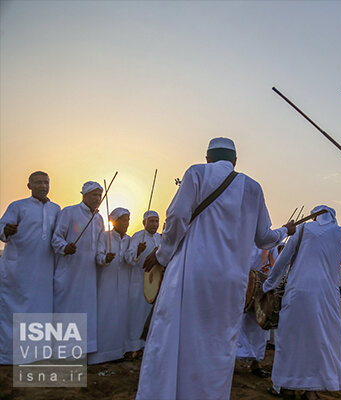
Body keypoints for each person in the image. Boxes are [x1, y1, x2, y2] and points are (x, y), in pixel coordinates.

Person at [136, 138, 295, 400]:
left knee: (177, 336)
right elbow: (265, 238)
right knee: (217, 343)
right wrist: (285, 231)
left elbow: (176, 218)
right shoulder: (253, 187)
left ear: (208, 158)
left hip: (191, 273)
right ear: (235, 161)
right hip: (231, 281)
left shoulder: (196, 172)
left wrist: (163, 256)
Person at [263, 205, 341, 399]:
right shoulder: (340, 232)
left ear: (314, 218)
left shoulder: (303, 230)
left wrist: (268, 285)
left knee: (291, 339)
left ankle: (287, 387)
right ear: (332, 218)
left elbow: (283, 260)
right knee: (320, 341)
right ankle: (311, 392)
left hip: (297, 293)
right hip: (326, 297)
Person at [0, 171, 61, 364]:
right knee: (15, 312)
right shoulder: (17, 206)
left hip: (44, 270)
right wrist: (5, 230)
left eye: (46, 182)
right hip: (18, 270)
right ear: (29, 186)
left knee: (41, 311)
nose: (43, 186)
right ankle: (10, 356)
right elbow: (2, 228)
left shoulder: (56, 209)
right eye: (38, 183)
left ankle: (38, 354)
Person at [52, 181, 105, 355]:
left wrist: (104, 258)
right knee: (66, 308)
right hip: (69, 271)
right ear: (84, 195)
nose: (97, 198)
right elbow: (56, 238)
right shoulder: (69, 212)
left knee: (86, 310)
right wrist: (65, 247)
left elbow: (98, 246)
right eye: (94, 195)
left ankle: (83, 349)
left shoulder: (98, 218)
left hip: (89, 273)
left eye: (99, 195)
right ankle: (61, 349)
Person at [88, 208, 131, 365]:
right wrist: (105, 258)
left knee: (121, 316)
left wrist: (137, 252)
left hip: (124, 283)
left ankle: (118, 351)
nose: (126, 223)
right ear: (115, 221)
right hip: (106, 283)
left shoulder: (129, 239)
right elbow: (98, 257)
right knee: (105, 315)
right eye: (123, 220)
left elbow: (130, 258)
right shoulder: (104, 237)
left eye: (128, 220)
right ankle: (100, 355)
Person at [236, 245, 279, 379]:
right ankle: (231, 361)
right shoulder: (244, 234)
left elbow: (275, 264)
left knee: (259, 328)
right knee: (237, 325)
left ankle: (256, 364)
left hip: (261, 287)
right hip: (241, 284)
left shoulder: (271, 242)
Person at [124, 210, 161, 358]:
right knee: (137, 316)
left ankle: (146, 349)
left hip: (155, 285)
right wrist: (138, 252)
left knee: (152, 317)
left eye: (156, 221)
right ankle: (133, 348)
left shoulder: (160, 238)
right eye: (151, 221)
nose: (154, 224)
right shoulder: (138, 237)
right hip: (138, 283)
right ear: (144, 223)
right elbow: (128, 257)